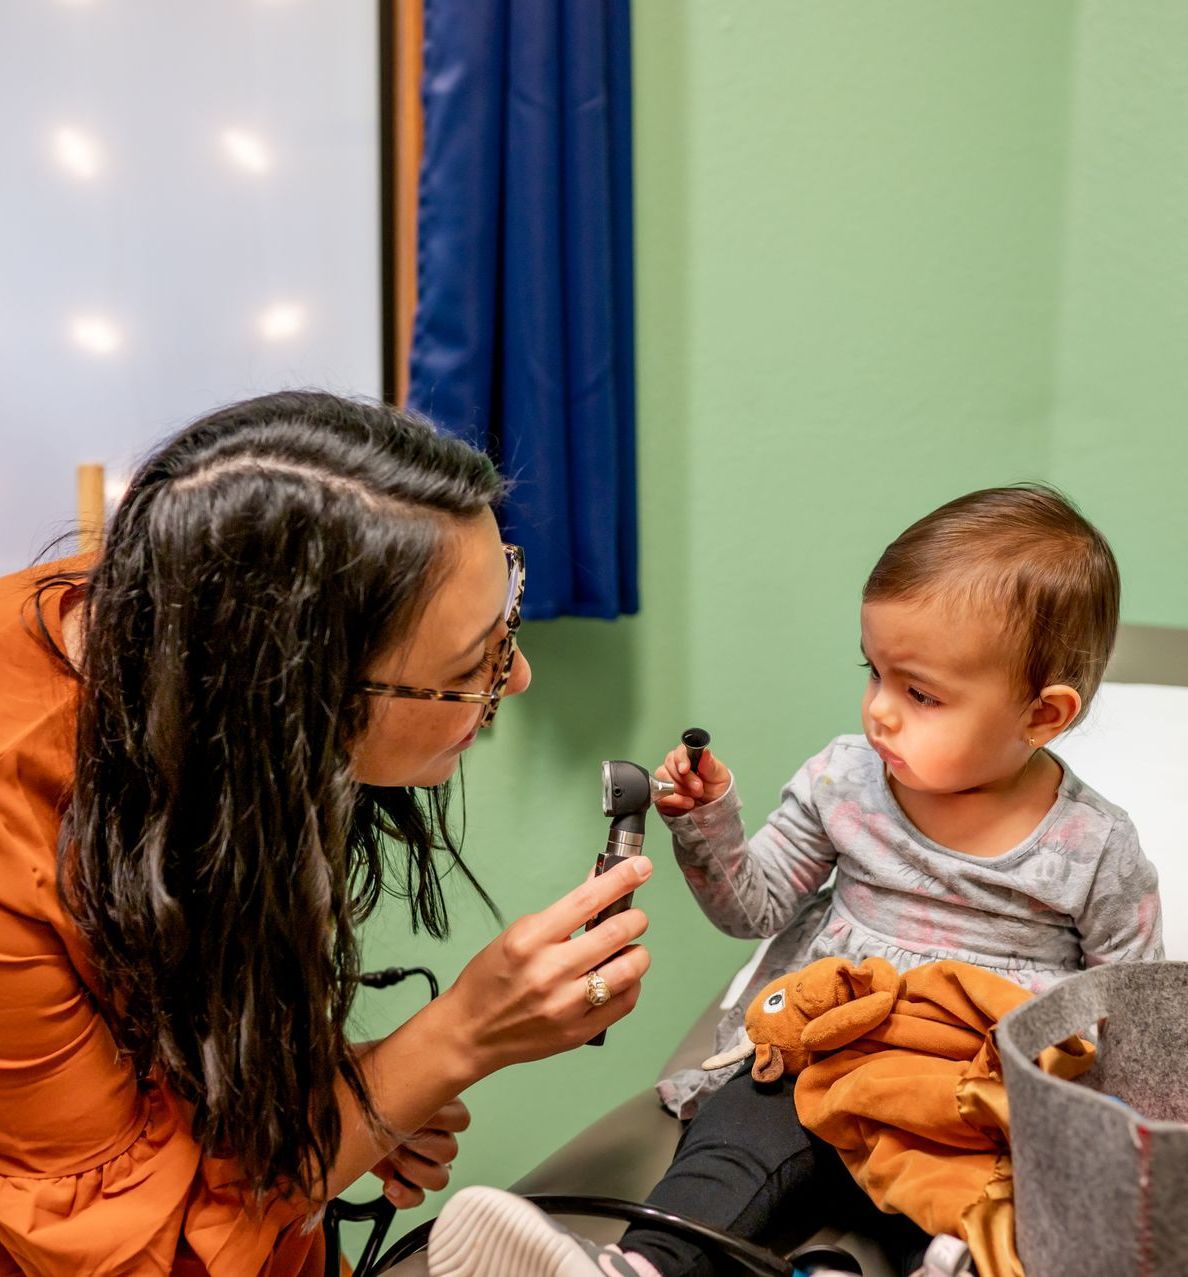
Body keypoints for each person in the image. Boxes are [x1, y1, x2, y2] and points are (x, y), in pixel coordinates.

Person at [424, 485, 1163, 1277]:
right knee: (734, 1138)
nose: (879, 710)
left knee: (1012, 1193)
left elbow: (1136, 1017)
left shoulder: (1096, 846)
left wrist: (1119, 1144)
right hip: (817, 1062)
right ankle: (637, 1267)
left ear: (1042, 715)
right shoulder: (846, 780)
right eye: (874, 671)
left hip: (962, 1100)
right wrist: (708, 823)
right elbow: (756, 905)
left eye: (920, 693)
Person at [0, 391, 652, 1275]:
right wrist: (456, 1038)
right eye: (476, 666)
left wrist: (349, 1094)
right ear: (296, 700)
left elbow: (152, 1073)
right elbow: (123, 1258)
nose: (520, 677)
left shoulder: (181, 627)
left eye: (508, 626)